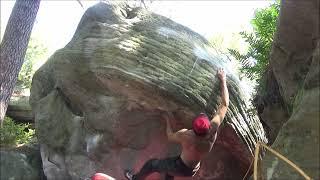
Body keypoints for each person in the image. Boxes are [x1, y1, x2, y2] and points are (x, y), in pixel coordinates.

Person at [124, 68, 230, 180]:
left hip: (180, 166)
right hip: (193, 168)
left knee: (152, 164)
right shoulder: (213, 129)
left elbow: (170, 136)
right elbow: (225, 104)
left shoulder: (188, 136)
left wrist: (167, 119)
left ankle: (135, 178)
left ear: (193, 129)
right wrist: (223, 79)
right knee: (169, 171)